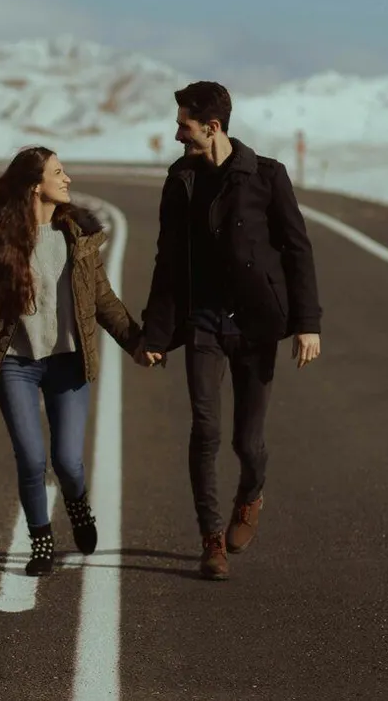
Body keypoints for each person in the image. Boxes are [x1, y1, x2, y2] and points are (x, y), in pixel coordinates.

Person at [138, 81, 322, 581]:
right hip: (204, 322)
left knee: (247, 443)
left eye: (184, 125)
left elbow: (297, 250)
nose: (178, 135)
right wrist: (156, 335)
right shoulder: (181, 179)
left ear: (212, 127)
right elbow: (168, 259)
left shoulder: (267, 177)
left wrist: (307, 324)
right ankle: (211, 540)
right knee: (206, 430)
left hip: (257, 322)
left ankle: (252, 493)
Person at [0, 146, 143, 577]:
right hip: (17, 364)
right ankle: (41, 542)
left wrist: (137, 343)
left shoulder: (77, 237)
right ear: (36, 185)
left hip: (68, 363)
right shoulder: (2, 243)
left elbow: (102, 299)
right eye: (58, 172)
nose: (67, 179)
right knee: (32, 458)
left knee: (69, 461)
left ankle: (78, 506)